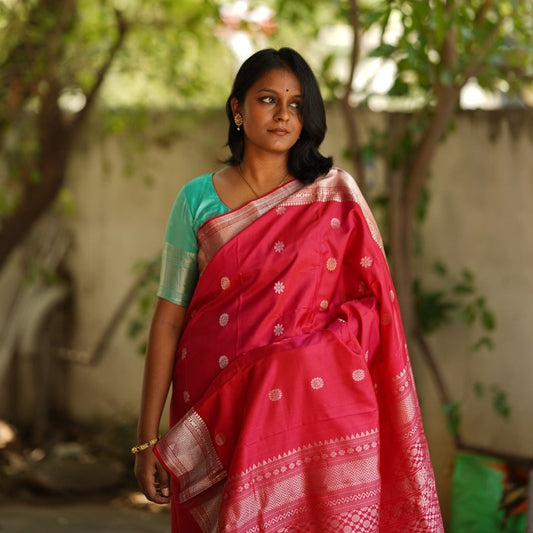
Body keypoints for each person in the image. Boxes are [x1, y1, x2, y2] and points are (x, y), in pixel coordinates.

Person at [134, 47, 444, 532]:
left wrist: (299, 357)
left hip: (306, 408)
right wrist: (145, 437)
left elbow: (374, 306)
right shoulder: (197, 199)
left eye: (297, 104)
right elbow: (169, 315)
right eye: (267, 99)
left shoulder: (333, 195)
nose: (283, 114)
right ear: (237, 109)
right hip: (214, 405)